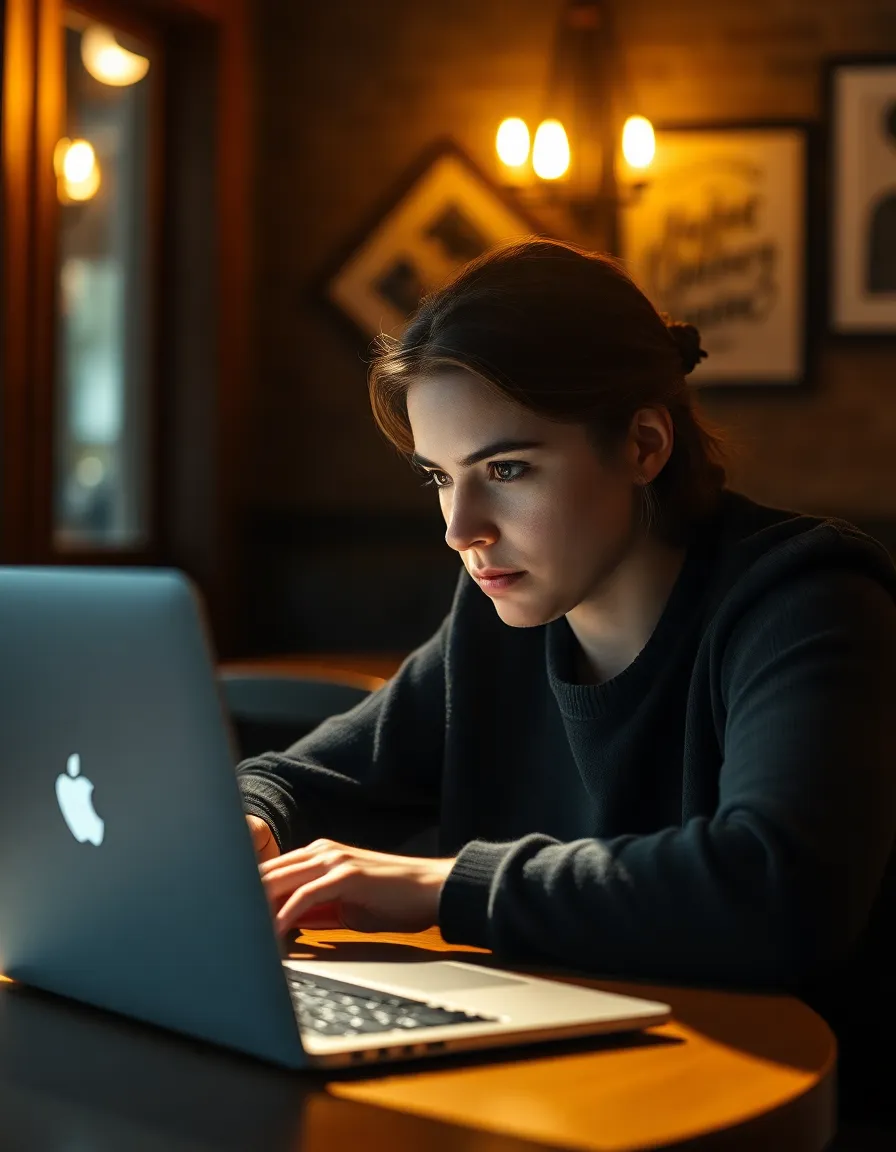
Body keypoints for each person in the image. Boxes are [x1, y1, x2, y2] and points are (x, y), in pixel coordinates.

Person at [238, 238, 896, 1122]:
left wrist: (442, 884)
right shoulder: (503, 614)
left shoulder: (806, 600)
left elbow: (774, 889)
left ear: (645, 443)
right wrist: (248, 828)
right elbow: (295, 780)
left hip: (768, 1106)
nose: (460, 528)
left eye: (506, 470)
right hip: (561, 1093)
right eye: (441, 477)